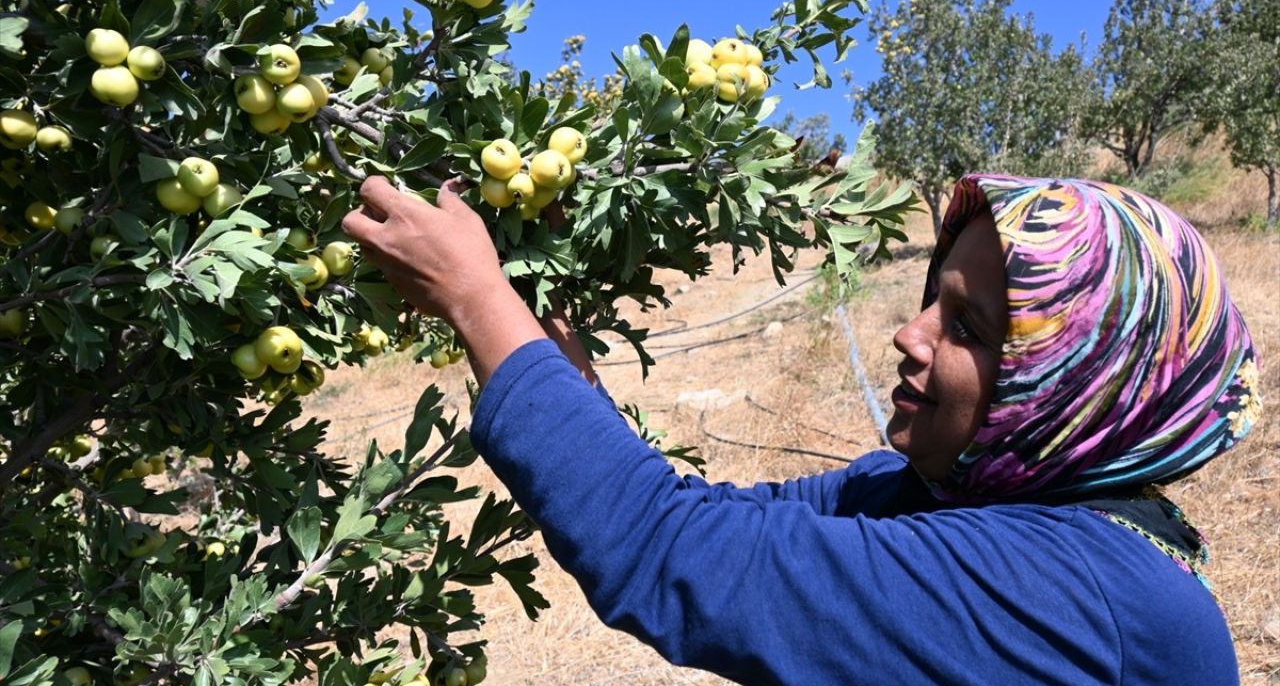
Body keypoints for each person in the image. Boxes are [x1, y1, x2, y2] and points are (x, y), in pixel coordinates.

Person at [342, 174, 1261, 685]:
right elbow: (708, 517)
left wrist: (475, 298)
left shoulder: (1080, 592)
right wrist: (568, 387)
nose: (911, 336)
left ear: (1082, 385)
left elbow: (674, 554)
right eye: (930, 301)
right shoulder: (925, 496)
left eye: (968, 330)